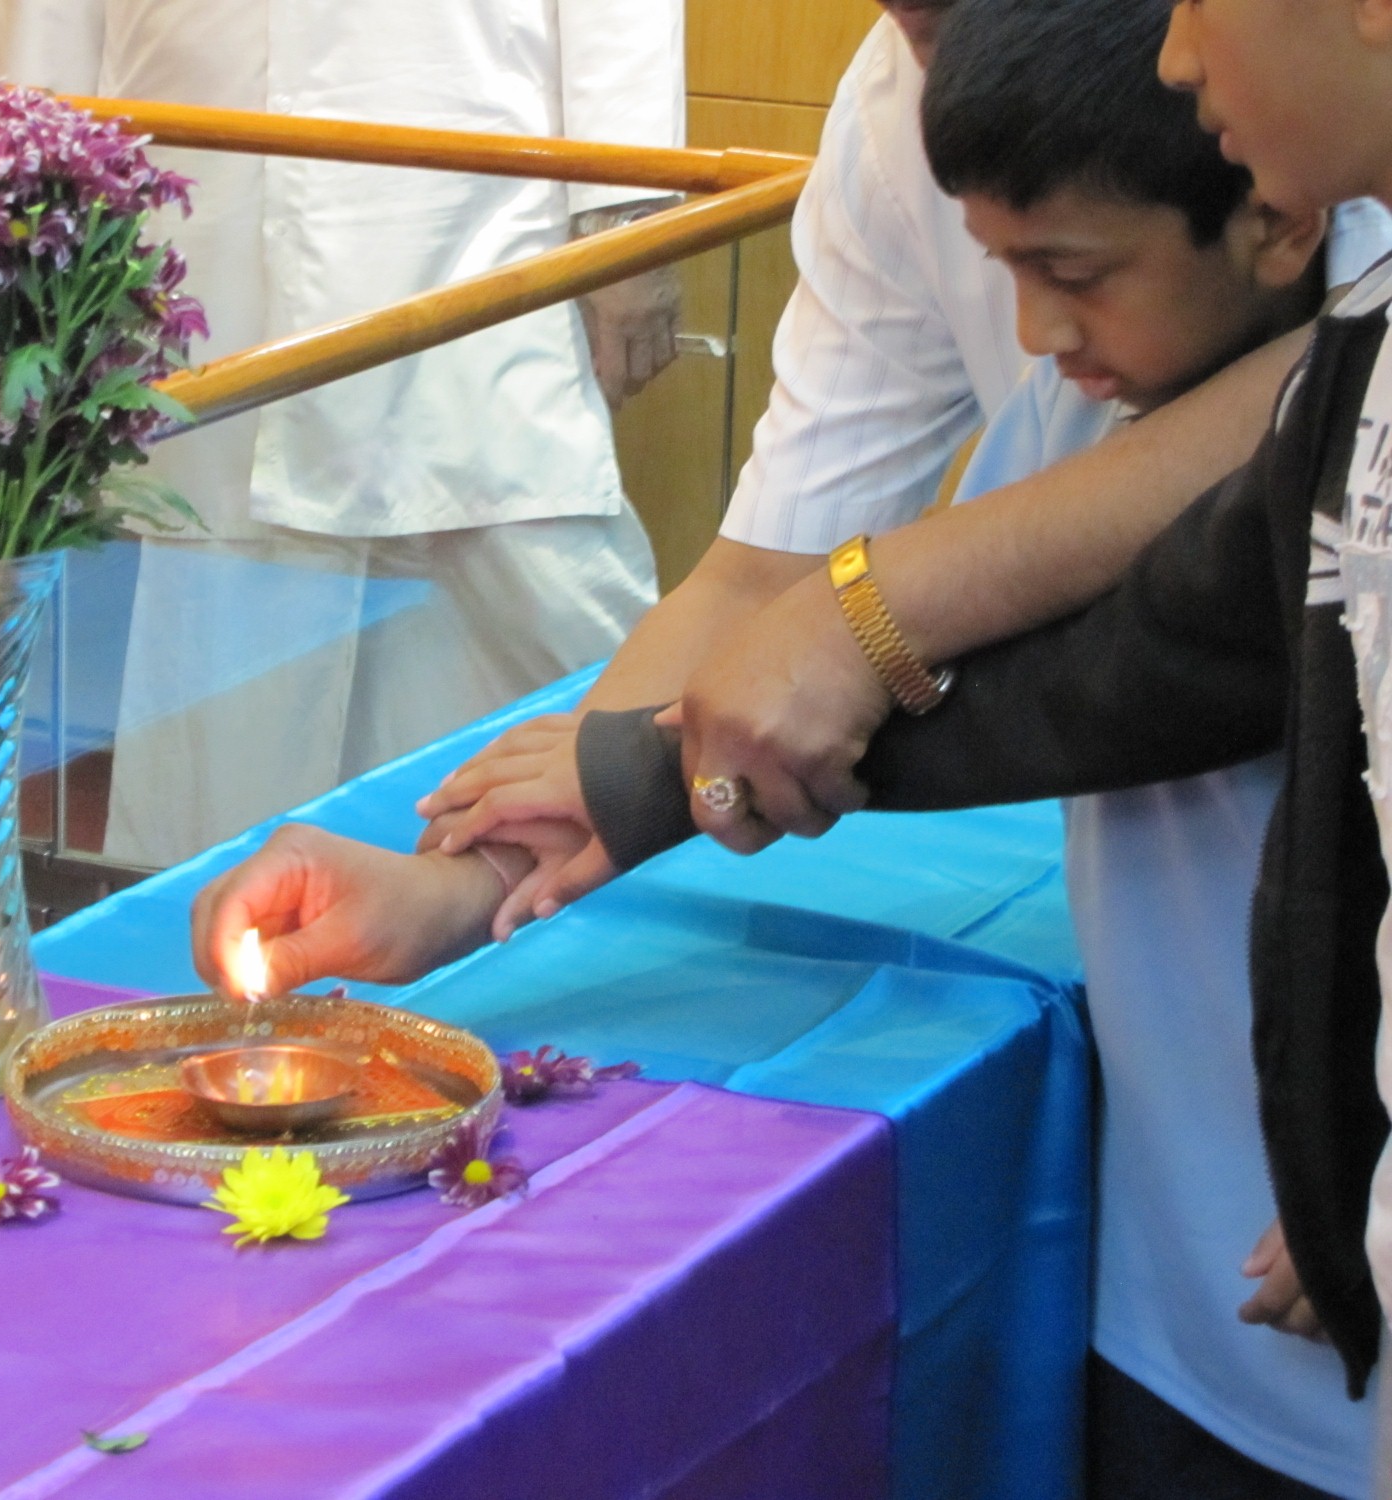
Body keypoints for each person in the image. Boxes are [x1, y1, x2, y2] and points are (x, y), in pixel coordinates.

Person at [195, 1, 1392, 1493]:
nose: (1035, 333)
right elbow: (783, 578)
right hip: (1206, 1148)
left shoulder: (1286, 126)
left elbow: (1249, 506)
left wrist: (864, 617)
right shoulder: (922, 88)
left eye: (1071, 273)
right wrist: (483, 869)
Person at [0, 0, 682, 865]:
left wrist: (628, 205)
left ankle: (605, 890)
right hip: (211, 196)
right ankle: (222, 930)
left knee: (533, 584)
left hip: (473, 194)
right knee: (228, 639)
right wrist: (15, 201)